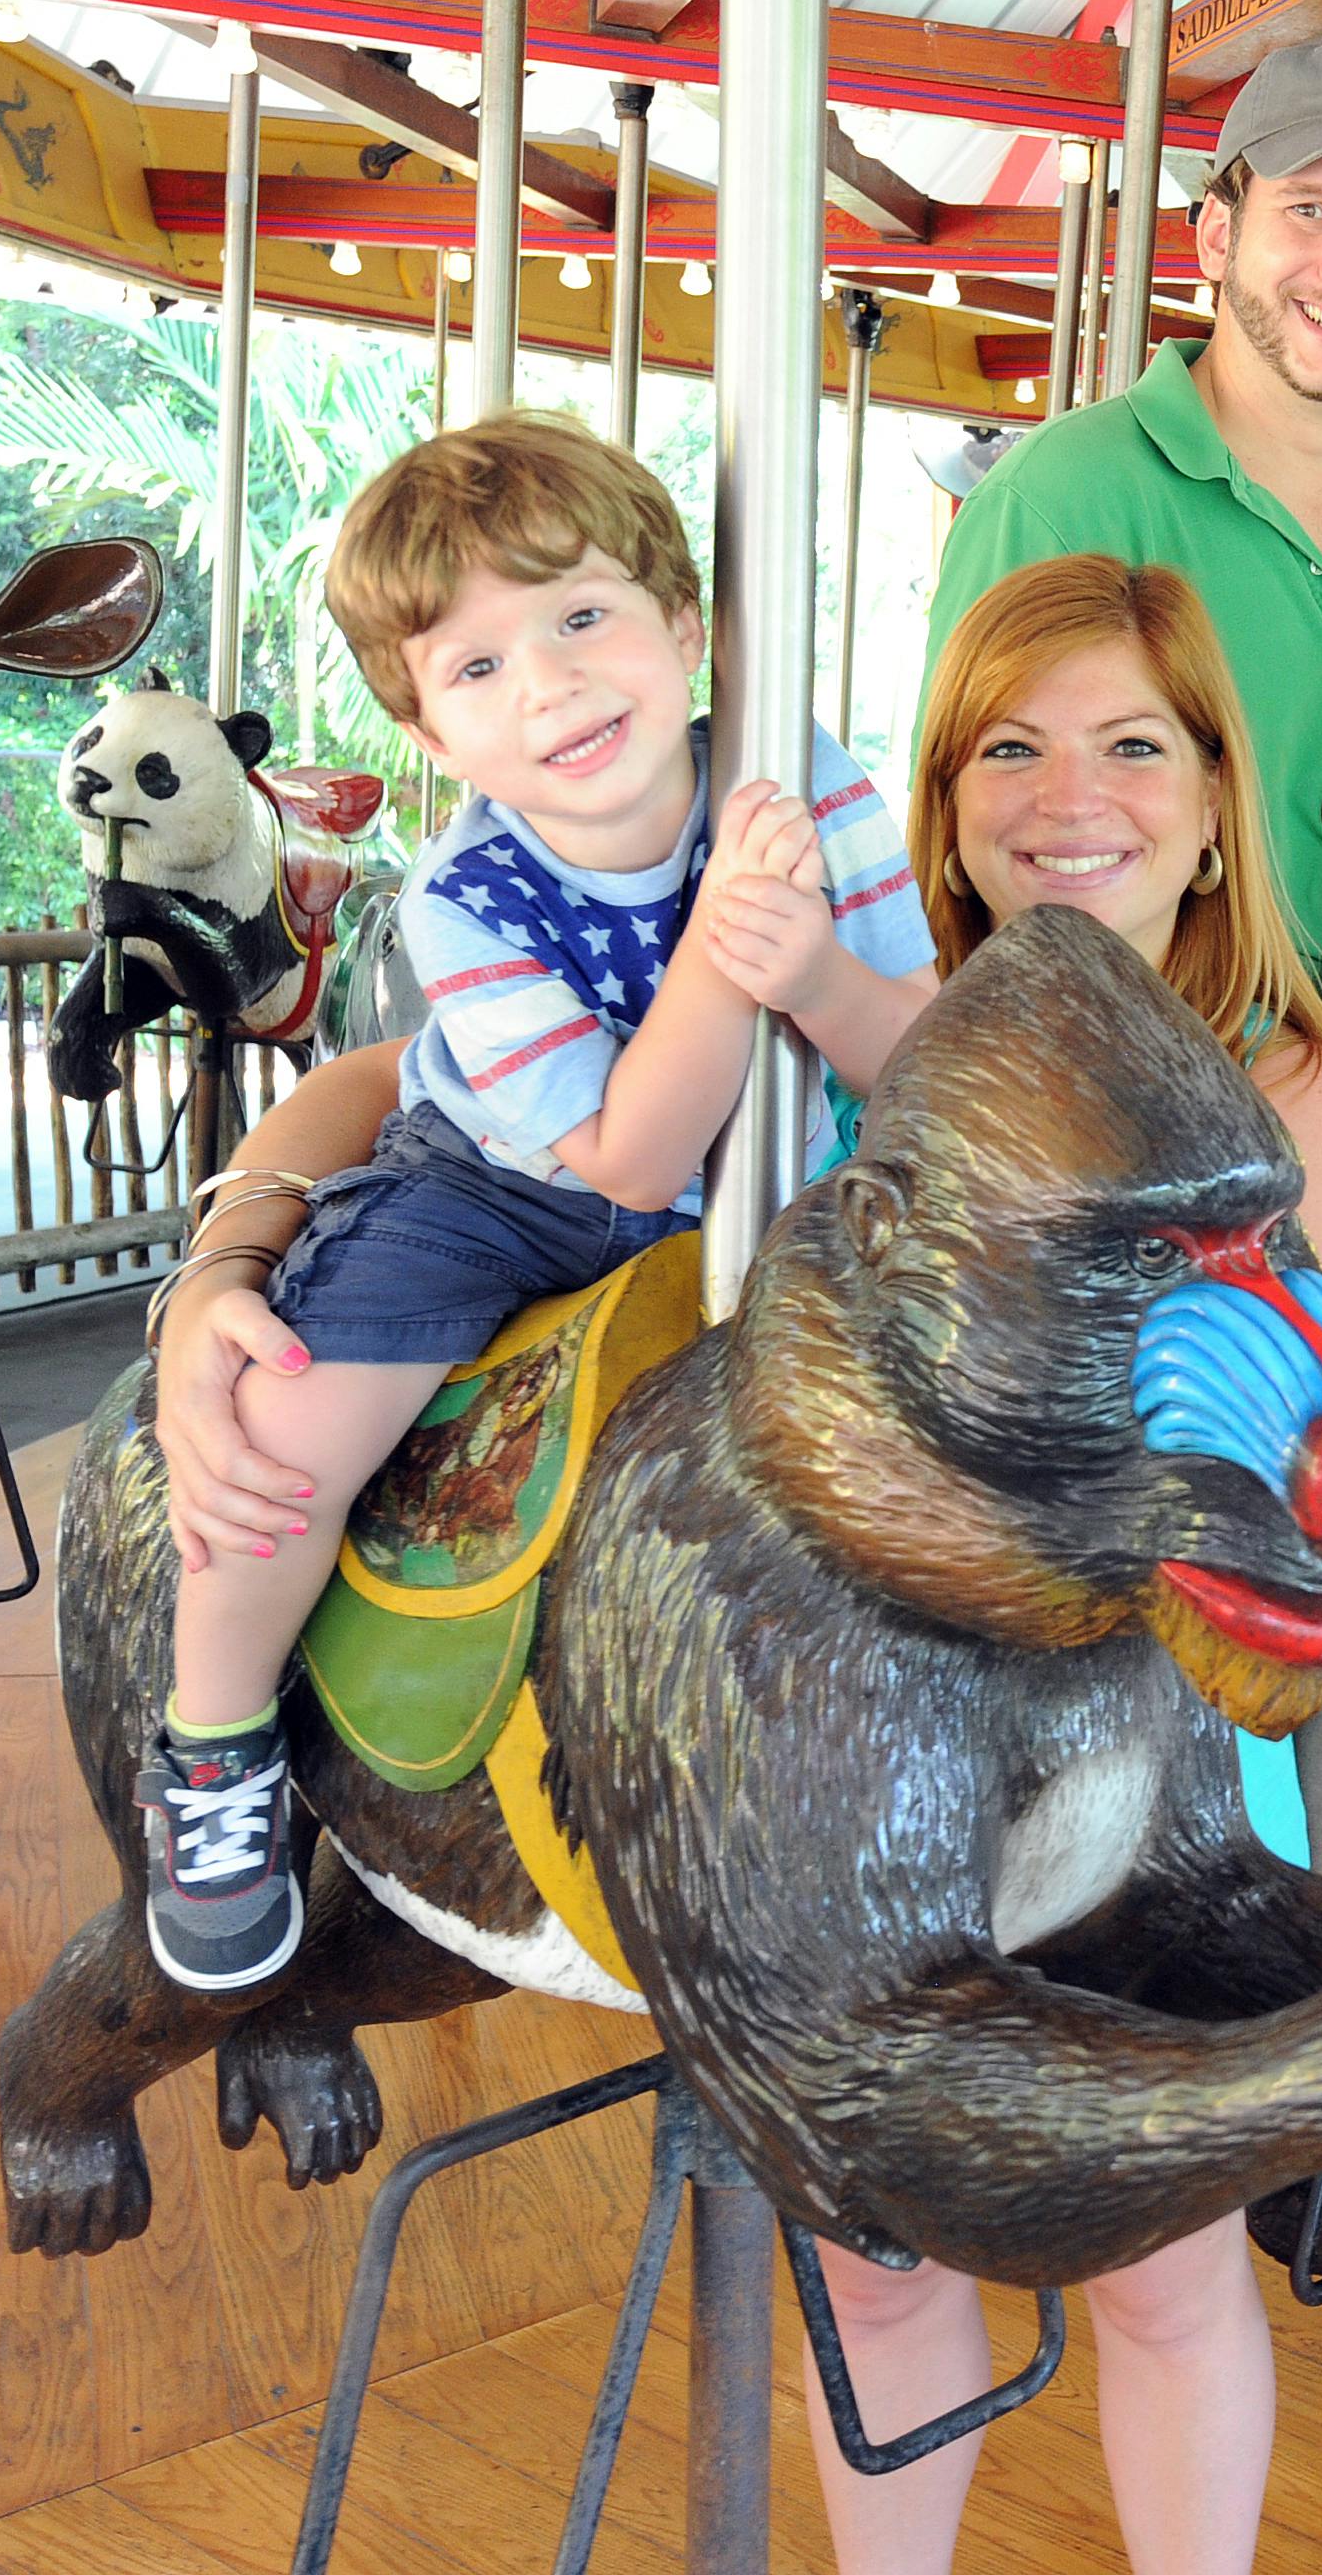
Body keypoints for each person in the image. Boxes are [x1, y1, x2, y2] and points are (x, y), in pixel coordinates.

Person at [154, 554, 1322, 2575]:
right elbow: (401, 1078)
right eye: (1012, 747)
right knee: (877, 2273)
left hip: (1128, 1728)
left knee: (1165, 2268)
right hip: (849, 1734)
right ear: (942, 791)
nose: (1074, 792)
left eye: (1134, 744)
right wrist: (229, 1249)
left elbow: (1227, 1441)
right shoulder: (830, 947)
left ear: (1216, 786)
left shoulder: (1274, 1085)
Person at [138, 410, 932, 1992]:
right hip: (508, 1193)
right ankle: (213, 1746)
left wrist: (819, 969)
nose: (552, 684)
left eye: (580, 619)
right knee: (300, 1417)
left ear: (686, 630)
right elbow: (627, 1161)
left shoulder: (808, 783)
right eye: (477, 666)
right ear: (431, 736)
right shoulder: (464, 899)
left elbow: (918, 1042)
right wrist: (726, 943)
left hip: (786, 1181)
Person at [923, 37, 1322, 1925]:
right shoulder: (1063, 495)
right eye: (1304, 211)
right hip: (1134, 1173)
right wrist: (1259, 1071)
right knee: (1123, 1643)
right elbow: (972, 868)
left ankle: (1315, 2001)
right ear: (1215, 229)